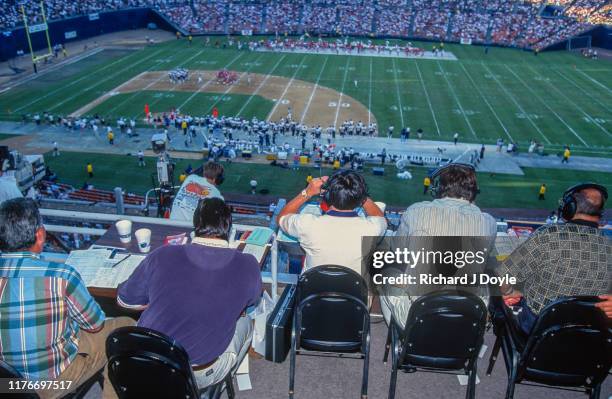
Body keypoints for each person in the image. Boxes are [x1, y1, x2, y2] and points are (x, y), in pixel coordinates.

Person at [118, 198, 261, 389]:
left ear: (196, 225)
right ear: (228, 227)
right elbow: (251, 302)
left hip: (148, 360)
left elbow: (125, 301)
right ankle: (228, 383)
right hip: (197, 373)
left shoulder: (161, 254)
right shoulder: (248, 263)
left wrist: (157, 299)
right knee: (246, 321)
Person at [0, 198, 134, 399]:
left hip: (8, 385)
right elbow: (95, 324)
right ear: (40, 235)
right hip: (50, 385)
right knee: (123, 329)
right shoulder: (61, 276)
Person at [380, 163, 497, 328]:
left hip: (421, 314)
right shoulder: (489, 222)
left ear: (438, 189)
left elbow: (397, 251)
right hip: (465, 316)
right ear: (474, 192)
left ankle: (403, 338)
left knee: (387, 274)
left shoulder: (415, 211)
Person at [498, 183, 611, 333]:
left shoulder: (549, 234)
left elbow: (504, 278)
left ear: (569, 207)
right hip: (588, 337)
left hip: (540, 333)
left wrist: (511, 291)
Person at [277, 170, 387, 274]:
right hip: (355, 292)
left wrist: (307, 192)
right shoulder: (372, 228)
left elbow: (282, 218)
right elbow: (379, 217)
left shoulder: (307, 224)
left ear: (327, 196)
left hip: (313, 292)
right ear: (360, 199)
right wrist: (359, 193)